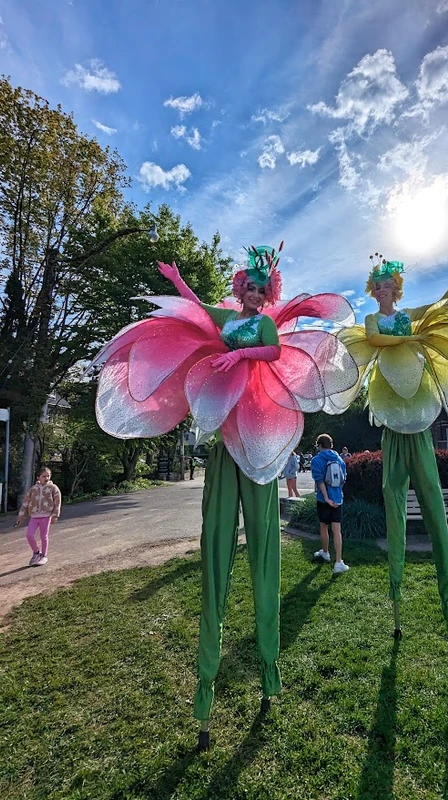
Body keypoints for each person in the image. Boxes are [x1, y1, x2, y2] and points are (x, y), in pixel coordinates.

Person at [90, 242, 357, 750]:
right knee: (214, 553)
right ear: (241, 289)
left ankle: (269, 669)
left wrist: (237, 353)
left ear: (268, 293)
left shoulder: (263, 325)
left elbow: (274, 352)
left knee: (263, 554)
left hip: (255, 445)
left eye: (262, 289)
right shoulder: (229, 316)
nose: (255, 296)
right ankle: (205, 688)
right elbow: (197, 310)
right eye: (249, 288)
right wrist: (176, 281)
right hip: (220, 450)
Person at [337, 255, 448, 668]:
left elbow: (438, 309)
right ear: (373, 291)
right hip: (392, 416)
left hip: (420, 415)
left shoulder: (410, 315)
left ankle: (447, 601)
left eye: (388, 285)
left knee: (431, 500)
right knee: (394, 500)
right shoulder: (375, 322)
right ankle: (395, 595)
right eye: (377, 286)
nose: (383, 291)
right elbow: (377, 342)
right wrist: (411, 342)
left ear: (397, 287)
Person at [312, 433, 349, 574]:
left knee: (323, 526)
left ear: (320, 446)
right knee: (337, 530)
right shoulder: (340, 459)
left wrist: (326, 498)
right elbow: (343, 479)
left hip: (323, 499)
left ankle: (326, 552)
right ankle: (339, 562)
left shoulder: (316, 460)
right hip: (338, 499)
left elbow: (319, 481)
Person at [14, 466, 61, 566]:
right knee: (29, 535)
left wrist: (55, 515)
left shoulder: (53, 488)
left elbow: (57, 502)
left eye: (48, 476)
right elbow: (26, 503)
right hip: (34, 516)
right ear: (38, 477)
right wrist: (21, 516)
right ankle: (36, 552)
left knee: (44, 536)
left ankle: (44, 556)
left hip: (46, 516)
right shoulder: (33, 489)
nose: (46, 478)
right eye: (44, 476)